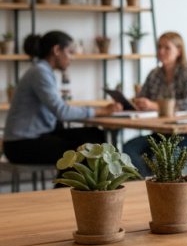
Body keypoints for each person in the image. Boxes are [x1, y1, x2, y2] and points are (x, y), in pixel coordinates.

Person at [2, 31, 114, 165]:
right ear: (56, 50)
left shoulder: (43, 71)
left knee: (94, 135)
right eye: (70, 52)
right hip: (20, 145)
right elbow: (61, 111)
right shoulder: (40, 72)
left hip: (34, 138)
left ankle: (81, 184)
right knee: (83, 150)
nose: (73, 57)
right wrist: (100, 111)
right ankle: (67, 186)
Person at [122, 31, 187, 173]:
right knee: (128, 149)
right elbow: (144, 98)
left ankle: (157, 185)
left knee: (163, 157)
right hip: (162, 134)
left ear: (179, 51)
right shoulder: (154, 74)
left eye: (166, 48)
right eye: (159, 47)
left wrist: (155, 105)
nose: (161, 51)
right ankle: (148, 184)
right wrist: (139, 103)